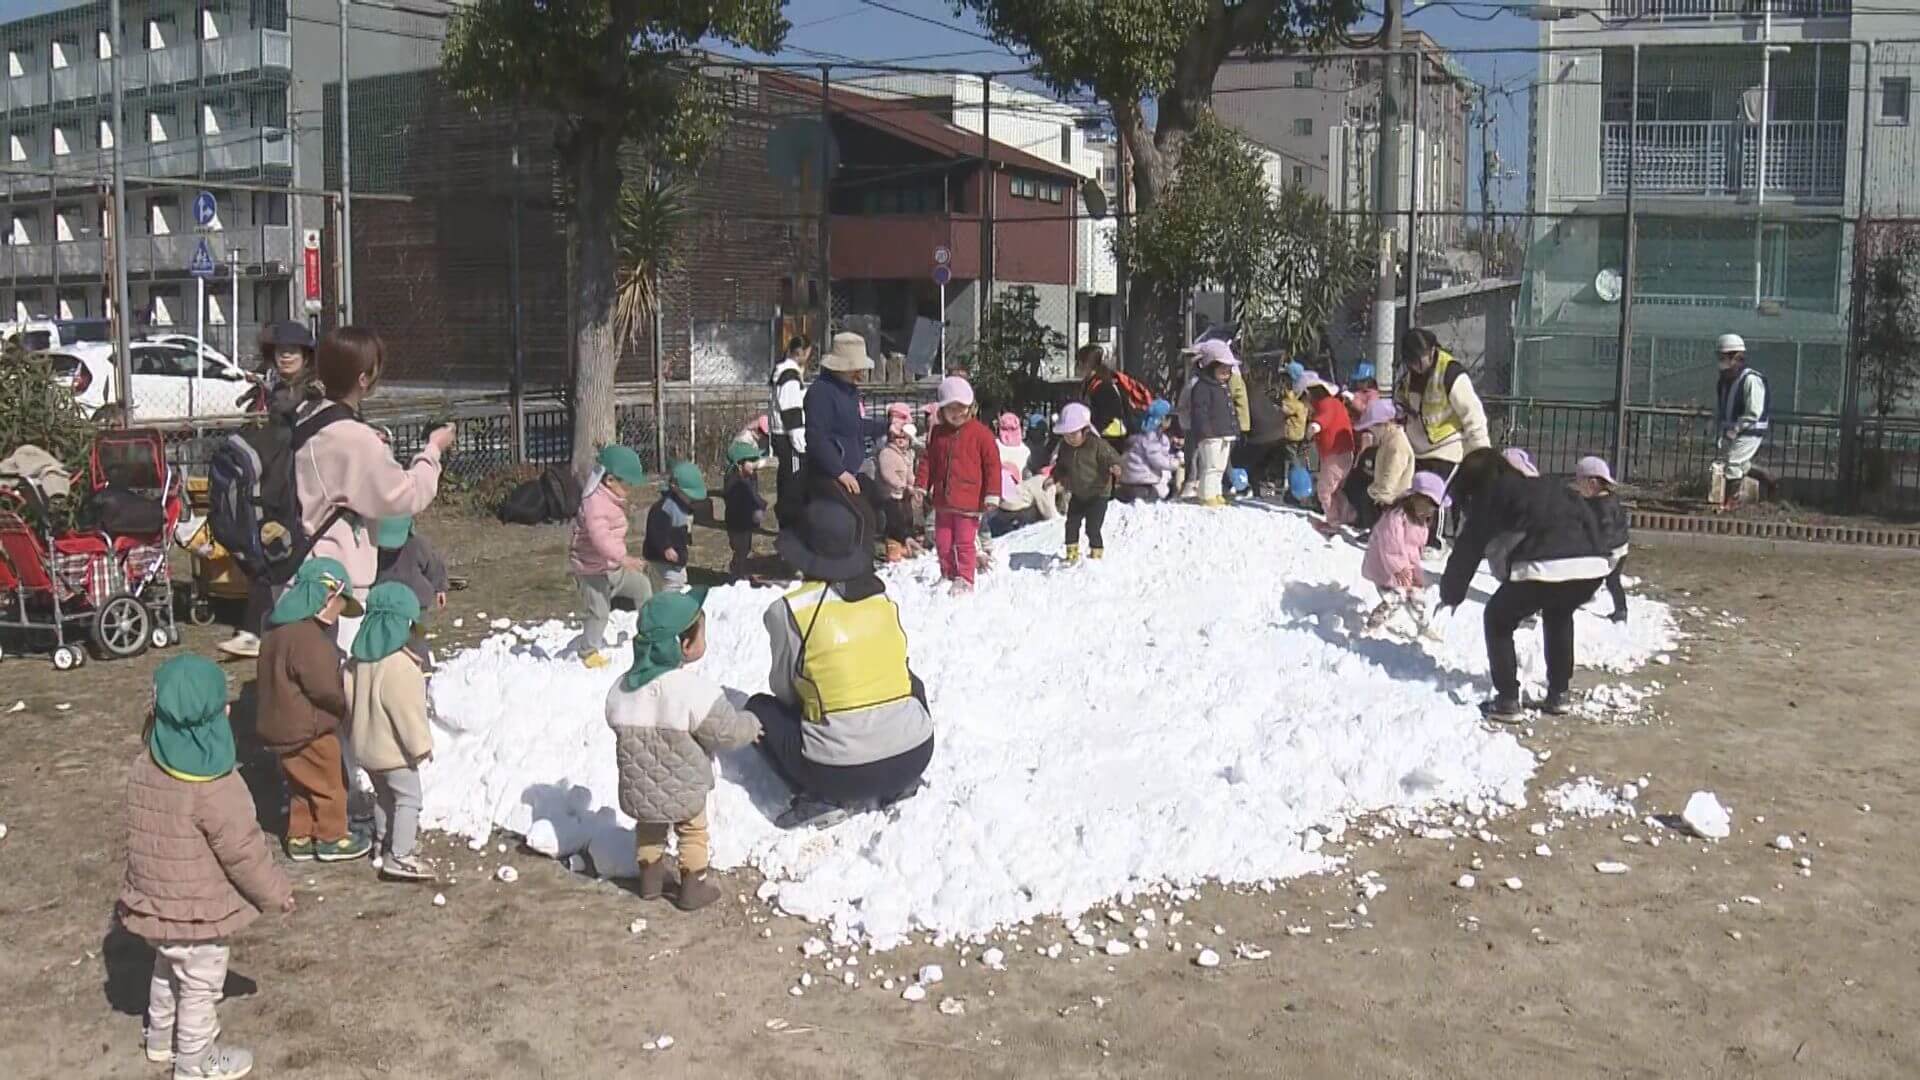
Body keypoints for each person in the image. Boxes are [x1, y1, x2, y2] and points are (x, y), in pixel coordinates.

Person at [119, 656, 293, 1080]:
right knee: (199, 984)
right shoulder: (215, 785)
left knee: (166, 969)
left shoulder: (146, 763)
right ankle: (195, 1061)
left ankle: (159, 1040)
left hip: (155, 903)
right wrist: (276, 893)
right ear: (218, 715)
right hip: (198, 911)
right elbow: (243, 850)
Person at [752, 495, 935, 828]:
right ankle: (897, 780)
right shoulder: (881, 599)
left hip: (839, 773)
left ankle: (819, 796)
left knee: (758, 711)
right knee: (912, 682)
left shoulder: (791, 610)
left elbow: (784, 690)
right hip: (916, 755)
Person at [608, 588, 763, 911]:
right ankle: (693, 888)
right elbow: (727, 731)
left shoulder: (621, 689)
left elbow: (615, 719)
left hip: (641, 789)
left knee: (649, 830)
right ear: (686, 645)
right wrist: (752, 723)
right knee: (693, 832)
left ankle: (650, 882)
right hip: (685, 788)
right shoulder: (693, 692)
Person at [1439, 448, 1610, 720]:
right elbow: (1588, 517)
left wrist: (1451, 593)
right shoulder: (1545, 486)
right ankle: (1559, 694)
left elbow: (1469, 547)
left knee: (1497, 619)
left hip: (1548, 562)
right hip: (1591, 566)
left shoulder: (1494, 493)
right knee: (1559, 612)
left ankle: (1507, 700)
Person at [294, 327, 453, 615]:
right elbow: (408, 494)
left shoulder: (307, 415)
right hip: (337, 582)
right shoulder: (355, 439)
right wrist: (433, 449)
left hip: (300, 568)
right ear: (363, 379)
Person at [215, 322, 326, 659]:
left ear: (308, 355)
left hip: (306, 483)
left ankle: (264, 629)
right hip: (276, 483)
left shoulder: (315, 390)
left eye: (293, 350)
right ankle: (262, 628)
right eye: (280, 350)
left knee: (282, 550)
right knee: (267, 548)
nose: (286, 355)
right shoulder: (272, 391)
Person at [256, 558, 368, 862]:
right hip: (308, 729)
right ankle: (333, 837)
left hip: (279, 729)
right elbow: (323, 686)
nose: (339, 616)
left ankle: (301, 835)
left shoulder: (275, 631)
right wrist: (343, 702)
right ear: (325, 596)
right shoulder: (307, 638)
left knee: (301, 784)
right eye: (339, 606)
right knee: (330, 782)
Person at [345, 582, 435, 882]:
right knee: (410, 799)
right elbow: (408, 716)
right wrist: (421, 746)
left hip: (365, 751)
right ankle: (401, 855)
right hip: (393, 753)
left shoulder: (354, 664)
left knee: (383, 797)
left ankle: (384, 843)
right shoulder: (400, 667)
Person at [914, 376, 1001, 593]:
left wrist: (992, 493)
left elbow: (992, 465)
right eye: (950, 408)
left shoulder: (981, 434)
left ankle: (965, 577)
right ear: (941, 411)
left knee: (964, 542)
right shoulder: (938, 434)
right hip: (944, 499)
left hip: (969, 500)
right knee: (943, 541)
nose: (957, 413)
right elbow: (928, 461)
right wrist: (921, 485)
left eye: (961, 408)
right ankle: (948, 573)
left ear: (971, 407)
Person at [570, 445, 652, 670]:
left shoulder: (610, 498)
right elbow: (600, 538)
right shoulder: (594, 504)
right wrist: (625, 559)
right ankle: (588, 652)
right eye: (627, 483)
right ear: (610, 480)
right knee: (599, 612)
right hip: (592, 571)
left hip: (611, 567)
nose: (631, 488)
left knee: (642, 587)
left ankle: (651, 632)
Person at [804, 332, 891, 510]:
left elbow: (854, 425)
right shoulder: (821, 392)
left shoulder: (848, 390)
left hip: (849, 469)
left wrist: (887, 426)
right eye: (856, 368)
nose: (860, 373)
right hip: (828, 474)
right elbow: (817, 438)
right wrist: (839, 472)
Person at [1394, 327, 1492, 481]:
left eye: (1420, 359)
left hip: (1445, 454)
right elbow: (1400, 408)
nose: (1416, 366)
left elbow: (1473, 415)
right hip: (1415, 454)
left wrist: (1483, 457)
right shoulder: (1406, 376)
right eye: (1411, 361)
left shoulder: (1450, 373)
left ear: (1432, 350)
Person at [1360, 472, 1447, 634]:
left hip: (1402, 570)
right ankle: (1371, 626)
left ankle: (1424, 626)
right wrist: (1403, 576)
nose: (1429, 510)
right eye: (1426, 504)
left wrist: (1415, 577)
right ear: (1414, 497)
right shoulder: (1395, 518)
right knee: (1396, 597)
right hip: (1384, 568)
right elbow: (1391, 550)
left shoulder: (1421, 523)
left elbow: (1414, 552)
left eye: (1433, 508)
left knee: (1416, 597)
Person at [1049, 403, 1123, 562]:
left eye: (1073, 434)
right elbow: (1061, 466)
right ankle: (1071, 553)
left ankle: (1096, 553)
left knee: (1092, 527)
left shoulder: (1097, 445)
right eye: (1066, 435)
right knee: (1071, 524)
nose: (1069, 439)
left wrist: (1114, 466)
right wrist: (1053, 477)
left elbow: (1111, 457)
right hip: (1078, 492)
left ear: (1085, 430)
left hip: (1098, 494)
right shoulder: (1065, 447)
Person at [1714, 333, 1770, 507]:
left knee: (1733, 463)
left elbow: (1754, 412)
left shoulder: (1751, 379)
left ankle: (1731, 503)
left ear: (1737, 357)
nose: (1722, 361)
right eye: (1720, 357)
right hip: (1733, 430)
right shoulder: (1725, 381)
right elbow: (1723, 408)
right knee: (1740, 464)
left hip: (1750, 431)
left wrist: (1736, 429)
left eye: (1725, 357)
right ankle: (1768, 480)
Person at [1575, 455, 1631, 623]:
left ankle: (1620, 611)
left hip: (1611, 550)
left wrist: (1596, 547)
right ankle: (1619, 609)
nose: (1578, 487)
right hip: (1618, 547)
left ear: (1592, 484)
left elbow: (1606, 530)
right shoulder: (1605, 499)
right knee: (1611, 580)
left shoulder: (1603, 506)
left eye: (1580, 482)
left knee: (1607, 579)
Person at [1344, 399, 1414, 532]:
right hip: (1380, 491)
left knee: (1386, 525)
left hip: (1393, 497)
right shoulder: (1387, 440)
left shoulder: (1397, 444)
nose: (1372, 431)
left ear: (1385, 424)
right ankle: (1373, 531)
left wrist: (1384, 497)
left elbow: (1392, 473)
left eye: (1373, 427)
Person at [1185, 352, 1239, 506]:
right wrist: (1205, 431)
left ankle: (1216, 492)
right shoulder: (1202, 386)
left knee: (1220, 466)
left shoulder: (1223, 387)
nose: (1226, 373)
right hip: (1210, 434)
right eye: (1222, 369)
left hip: (1225, 433)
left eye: (1228, 370)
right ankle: (1206, 494)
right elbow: (1199, 411)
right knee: (1211, 465)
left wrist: (1234, 429)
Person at [769, 336, 812, 524]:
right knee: (793, 483)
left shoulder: (786, 373)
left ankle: (788, 520)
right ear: (801, 352)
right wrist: (800, 444)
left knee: (786, 478)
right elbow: (791, 411)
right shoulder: (790, 376)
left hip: (781, 434)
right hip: (788, 437)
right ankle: (790, 524)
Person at [644, 461, 706, 593]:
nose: (691, 499)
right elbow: (656, 531)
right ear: (675, 487)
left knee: (676, 582)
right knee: (670, 588)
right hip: (662, 560)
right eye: (688, 495)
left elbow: (683, 527)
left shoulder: (683, 505)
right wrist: (666, 547)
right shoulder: (665, 508)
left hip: (676, 559)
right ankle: (666, 608)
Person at [1306, 375, 1357, 529]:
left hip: (1335, 455)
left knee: (1324, 491)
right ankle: (1349, 515)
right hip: (1346, 453)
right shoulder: (1337, 403)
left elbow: (1321, 422)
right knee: (1335, 490)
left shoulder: (1325, 405)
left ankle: (1333, 521)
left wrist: (1311, 431)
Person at [372, 515, 447, 619]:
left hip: (416, 603)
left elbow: (434, 565)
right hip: (383, 605)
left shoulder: (418, 544)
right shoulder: (373, 547)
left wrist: (440, 588)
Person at [873, 422, 920, 562]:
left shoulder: (907, 454)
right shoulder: (887, 453)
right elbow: (888, 474)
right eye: (897, 437)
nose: (900, 440)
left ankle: (908, 536)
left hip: (902, 493)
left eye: (904, 438)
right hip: (889, 494)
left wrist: (914, 485)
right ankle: (895, 542)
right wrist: (902, 485)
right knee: (894, 517)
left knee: (907, 514)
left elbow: (909, 474)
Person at [1239, 375, 1292, 497]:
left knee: (1254, 465)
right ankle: (1273, 490)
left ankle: (1255, 490)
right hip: (1278, 433)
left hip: (1261, 436)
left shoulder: (1245, 395)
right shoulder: (1260, 392)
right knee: (1271, 465)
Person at [723, 441, 769, 579]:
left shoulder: (750, 476)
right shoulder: (734, 482)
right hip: (736, 523)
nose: (755, 464)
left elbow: (753, 494)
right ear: (739, 464)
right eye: (752, 461)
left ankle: (739, 572)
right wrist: (757, 506)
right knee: (740, 549)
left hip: (746, 523)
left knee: (745, 548)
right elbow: (741, 502)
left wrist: (759, 505)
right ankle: (737, 574)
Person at [1117, 399, 1177, 503]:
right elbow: (1158, 460)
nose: (1171, 421)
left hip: (1129, 478)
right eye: (1169, 417)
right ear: (1162, 419)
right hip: (1140, 481)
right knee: (1156, 494)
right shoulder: (1151, 438)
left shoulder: (1142, 435)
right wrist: (1175, 463)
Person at [1076, 344, 1134, 450]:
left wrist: (1090, 433)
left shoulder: (1103, 385)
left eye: (1079, 361)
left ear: (1087, 363)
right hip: (1101, 436)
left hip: (1111, 437)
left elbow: (1108, 414)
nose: (1077, 365)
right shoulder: (1090, 383)